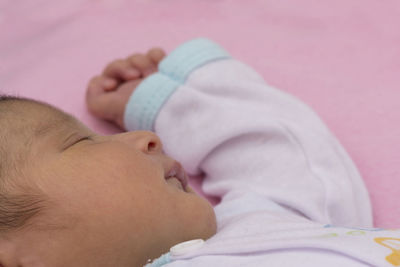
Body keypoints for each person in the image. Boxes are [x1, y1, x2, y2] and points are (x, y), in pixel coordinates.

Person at [0, 38, 399, 267]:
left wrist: (175, 99)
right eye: (80, 142)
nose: (146, 138)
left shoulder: (254, 225)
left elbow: (297, 164)